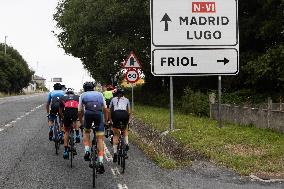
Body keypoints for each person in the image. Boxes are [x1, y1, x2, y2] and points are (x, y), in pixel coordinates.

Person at [78, 82, 107, 174]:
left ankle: (87, 151)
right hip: (99, 114)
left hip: (88, 114)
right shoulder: (100, 94)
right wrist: (106, 121)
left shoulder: (82, 95)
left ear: (84, 88)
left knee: (86, 132)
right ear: (93, 88)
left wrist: (81, 122)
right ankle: (101, 162)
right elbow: (105, 109)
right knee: (100, 139)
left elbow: (80, 110)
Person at [109, 88, 131, 162]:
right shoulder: (127, 100)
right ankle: (127, 143)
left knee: (116, 134)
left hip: (116, 114)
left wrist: (110, 120)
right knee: (125, 129)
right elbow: (129, 112)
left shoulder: (113, 99)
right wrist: (128, 121)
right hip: (124, 114)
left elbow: (110, 110)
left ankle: (115, 153)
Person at [59, 88, 80, 159]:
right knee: (76, 121)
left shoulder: (63, 97)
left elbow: (60, 109)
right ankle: (77, 134)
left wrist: (62, 117)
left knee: (66, 131)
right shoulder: (77, 97)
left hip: (67, 113)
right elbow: (81, 108)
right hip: (75, 112)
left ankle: (65, 150)